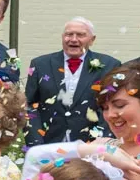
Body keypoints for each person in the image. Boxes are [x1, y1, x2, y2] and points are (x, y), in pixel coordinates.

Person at [25, 18, 121, 146]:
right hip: (48, 145)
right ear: (62, 37)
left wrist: (100, 143)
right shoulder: (40, 64)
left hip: (91, 147)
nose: (74, 39)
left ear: (92, 40)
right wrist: (36, 143)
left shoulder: (110, 65)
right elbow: (30, 106)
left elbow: (111, 106)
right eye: (69, 34)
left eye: (81, 35)